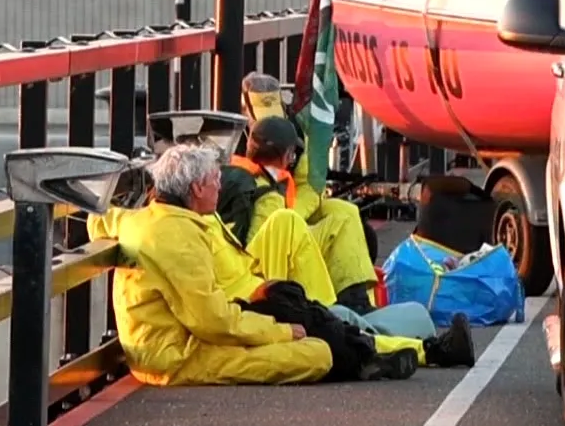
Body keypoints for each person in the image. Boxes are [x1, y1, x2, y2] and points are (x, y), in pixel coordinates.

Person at [88, 144, 420, 386]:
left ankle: (369, 357)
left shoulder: (145, 220)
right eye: (215, 180)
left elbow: (98, 221)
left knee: (301, 319)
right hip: (176, 356)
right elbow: (213, 322)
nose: (221, 186)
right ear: (196, 189)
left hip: (169, 342)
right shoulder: (178, 237)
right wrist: (278, 332)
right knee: (315, 352)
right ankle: (372, 359)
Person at [222, 116, 471, 364]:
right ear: (286, 154)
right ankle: (428, 349)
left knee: (341, 214)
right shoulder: (270, 197)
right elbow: (267, 240)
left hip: (257, 286)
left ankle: (369, 316)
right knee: (297, 226)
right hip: (267, 288)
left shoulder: (239, 181)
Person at [234, 76, 380, 312]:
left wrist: (294, 215)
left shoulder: (296, 131)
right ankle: (324, 311)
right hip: (260, 240)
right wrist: (287, 220)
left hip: (290, 214)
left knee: (345, 211)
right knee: (299, 223)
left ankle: (356, 301)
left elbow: (310, 184)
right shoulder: (231, 143)